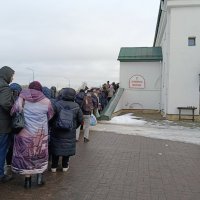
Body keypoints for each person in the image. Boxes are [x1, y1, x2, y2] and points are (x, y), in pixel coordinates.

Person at [11, 81, 54, 188]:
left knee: (26, 156)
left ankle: (27, 181)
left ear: (29, 88)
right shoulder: (47, 101)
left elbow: (13, 111)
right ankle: (39, 179)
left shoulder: (22, 98)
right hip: (40, 134)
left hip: (24, 134)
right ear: (40, 89)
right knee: (40, 155)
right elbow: (50, 115)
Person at [50, 88, 83, 172]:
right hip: (69, 132)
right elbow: (80, 120)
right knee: (67, 149)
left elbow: (50, 118)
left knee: (55, 148)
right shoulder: (76, 106)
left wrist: (52, 126)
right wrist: (74, 127)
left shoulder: (56, 104)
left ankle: (54, 166)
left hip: (56, 132)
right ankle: (65, 166)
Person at [0, 66, 15, 183]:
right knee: (2, 149)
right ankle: (0, 174)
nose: (12, 78)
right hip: (3, 125)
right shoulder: (5, 87)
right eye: (11, 76)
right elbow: (5, 102)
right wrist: (13, 110)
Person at [6, 83, 22, 176]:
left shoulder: (6, 98)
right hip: (17, 127)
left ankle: (8, 163)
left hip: (6, 126)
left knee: (8, 146)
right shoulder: (20, 101)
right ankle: (16, 164)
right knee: (16, 145)